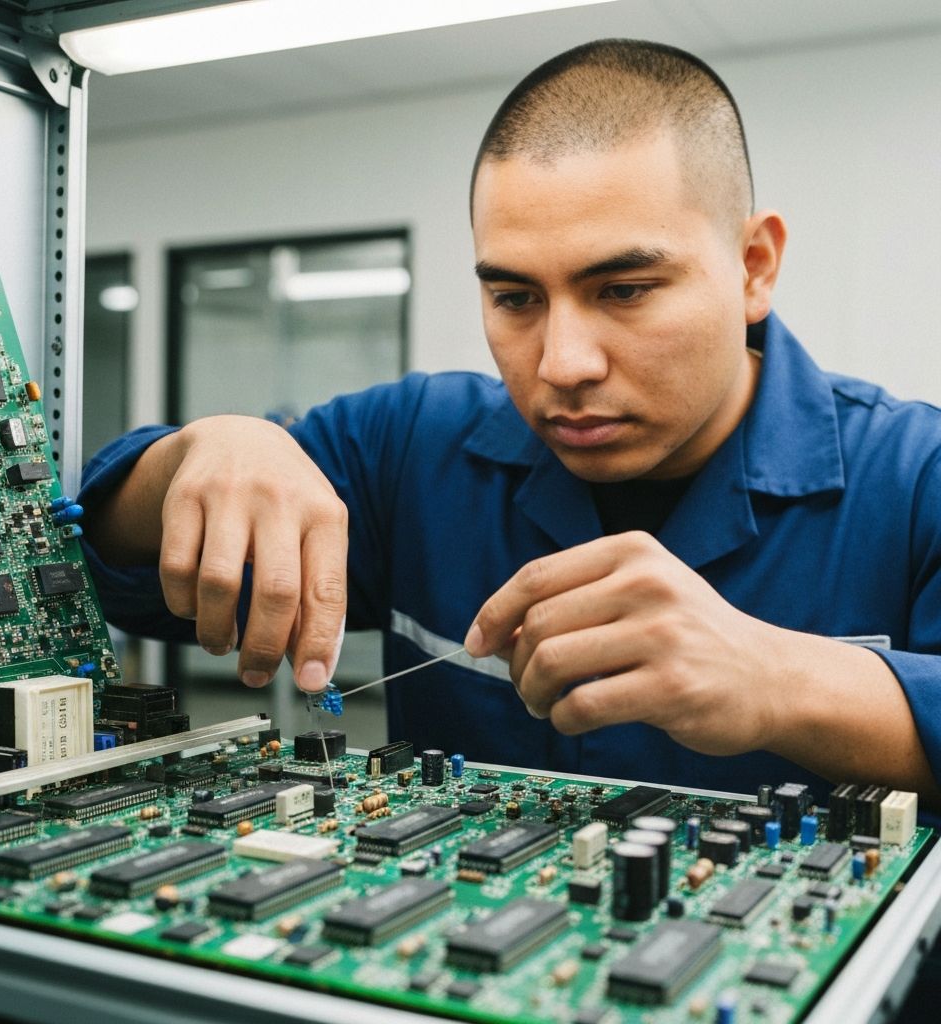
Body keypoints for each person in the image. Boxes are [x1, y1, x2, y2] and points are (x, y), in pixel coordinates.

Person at [80, 39, 941, 806]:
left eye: (624, 290)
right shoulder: (408, 447)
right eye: (516, 298)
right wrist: (201, 454)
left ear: (753, 267)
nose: (563, 363)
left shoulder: (915, 477)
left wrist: (779, 680)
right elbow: (101, 567)